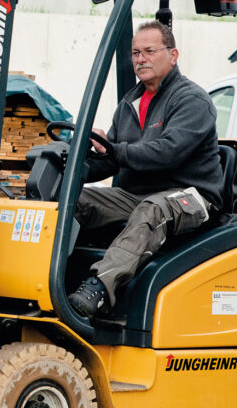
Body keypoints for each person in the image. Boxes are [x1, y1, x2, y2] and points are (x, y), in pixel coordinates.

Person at [67, 20, 224, 318]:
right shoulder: (131, 102)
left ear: (173, 55)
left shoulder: (192, 100)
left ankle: (99, 288)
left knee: (153, 208)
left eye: (150, 51)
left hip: (192, 197)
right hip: (139, 195)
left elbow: (167, 153)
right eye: (136, 53)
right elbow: (113, 159)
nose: (141, 59)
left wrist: (113, 149)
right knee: (76, 200)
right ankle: (50, 278)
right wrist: (72, 165)